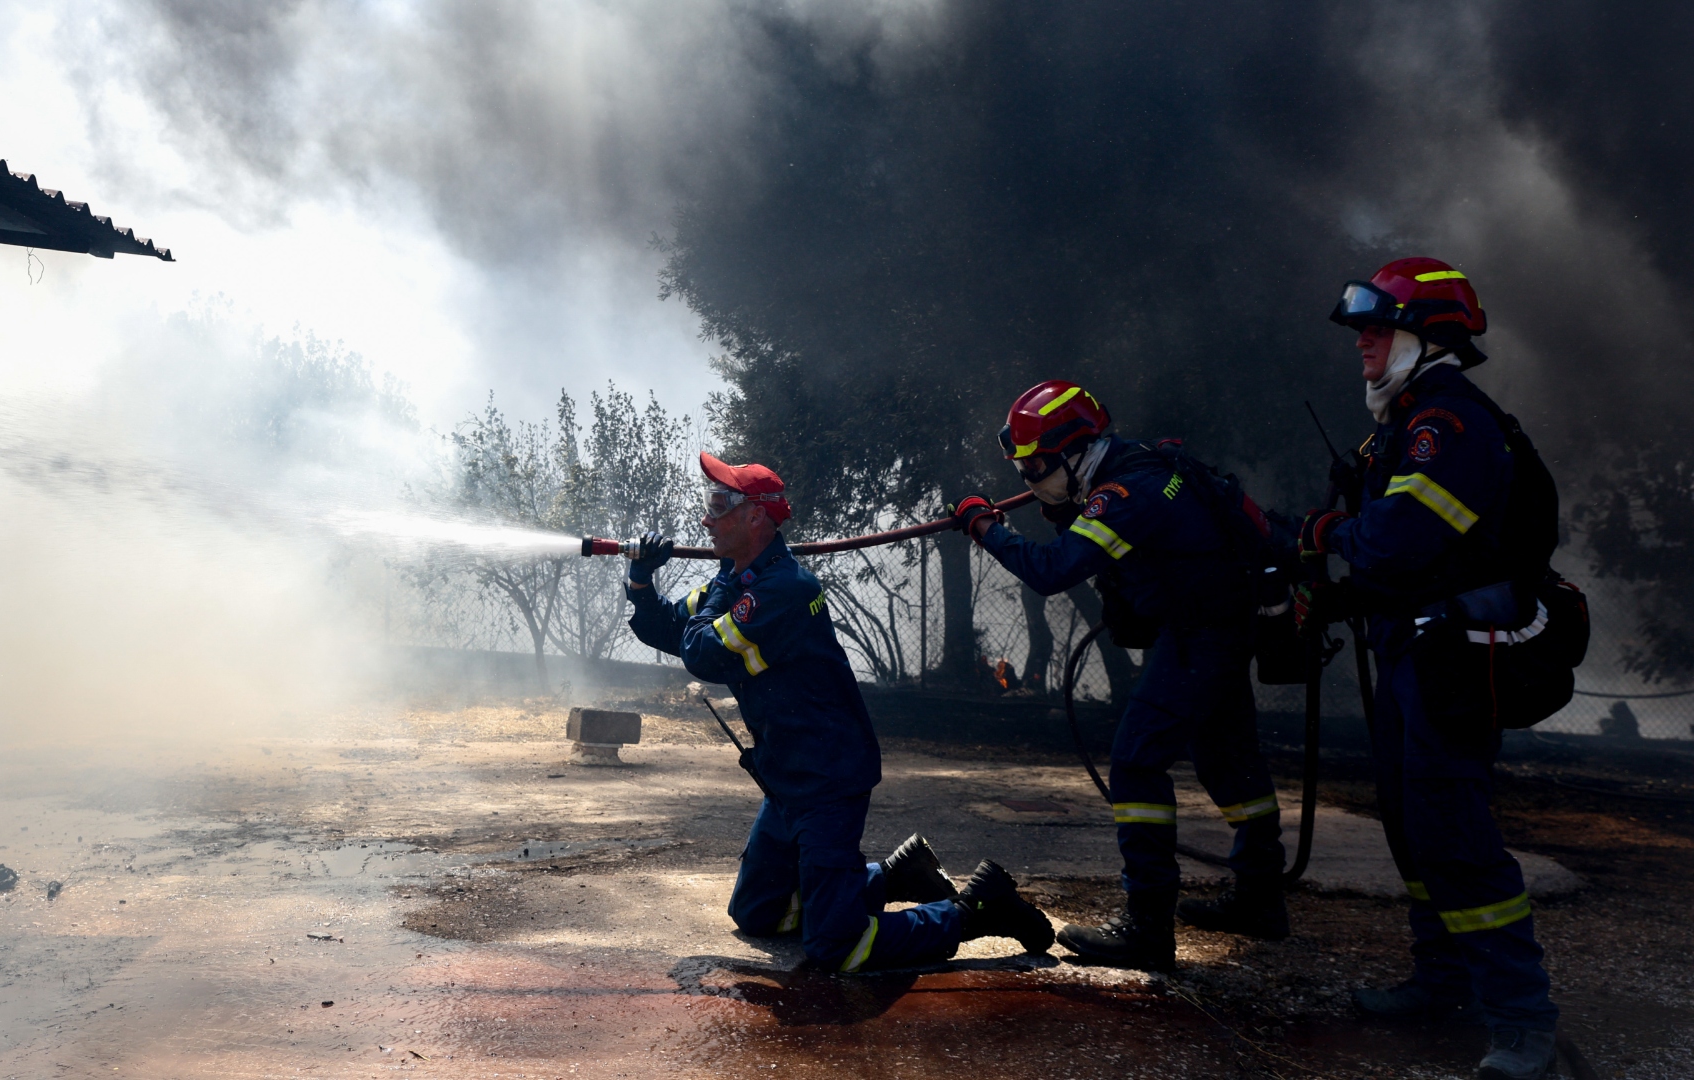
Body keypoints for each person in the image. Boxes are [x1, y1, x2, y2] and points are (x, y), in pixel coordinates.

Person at [625, 451, 1054, 972]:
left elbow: (702, 653)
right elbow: (667, 628)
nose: (705, 519)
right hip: (787, 776)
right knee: (758, 914)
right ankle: (896, 877)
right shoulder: (741, 583)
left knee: (837, 947)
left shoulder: (783, 590)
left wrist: (720, 583)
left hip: (826, 778)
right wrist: (641, 582)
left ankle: (976, 910)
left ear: (756, 516)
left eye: (718, 505)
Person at [1297, 257, 1558, 1080]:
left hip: (1450, 660)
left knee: (1455, 832)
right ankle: (1443, 982)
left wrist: (1327, 534)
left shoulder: (1449, 423)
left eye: (1380, 328)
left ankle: (1522, 1022)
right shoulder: (1408, 421)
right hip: (1411, 649)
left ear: (1427, 337)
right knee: (1412, 826)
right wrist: (1339, 592)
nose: (1363, 343)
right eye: (1363, 331)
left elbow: (1395, 542)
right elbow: (1402, 561)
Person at [951, 382, 1285, 971]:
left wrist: (984, 526)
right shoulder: (1138, 469)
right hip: (1221, 630)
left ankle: (1146, 925)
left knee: (1136, 762)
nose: (1028, 476)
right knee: (1229, 761)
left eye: (1036, 464)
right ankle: (1261, 898)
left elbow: (1052, 570)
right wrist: (1063, 511)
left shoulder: (1127, 493)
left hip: (1198, 639)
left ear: (1073, 450)